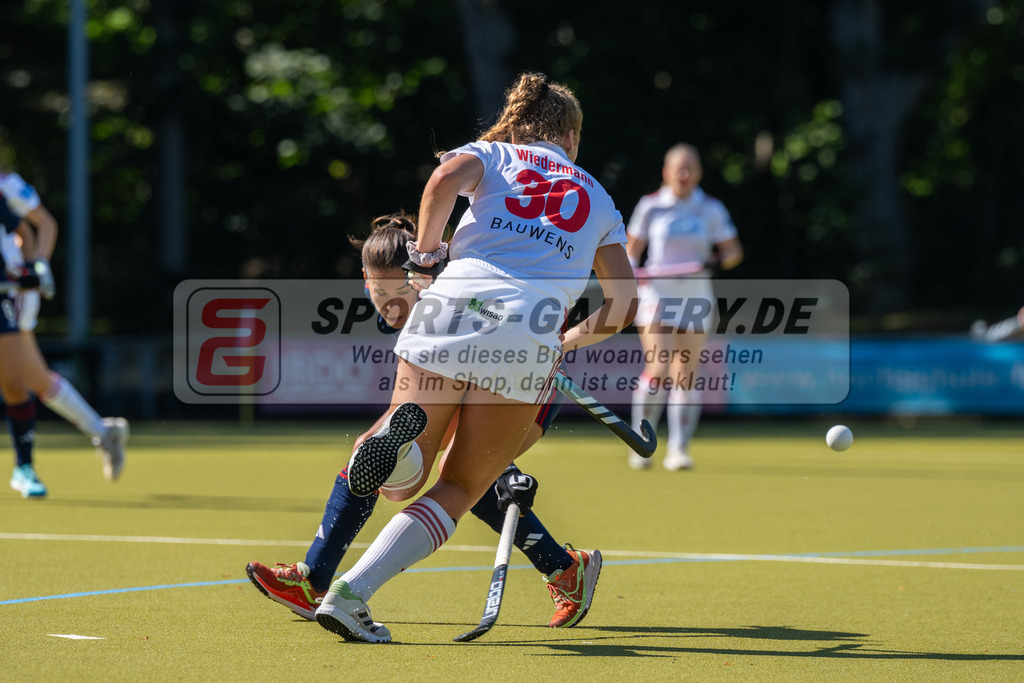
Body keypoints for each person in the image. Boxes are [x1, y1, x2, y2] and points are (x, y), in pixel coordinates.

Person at [312, 72, 637, 643]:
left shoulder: (494, 154)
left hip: (450, 305)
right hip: (530, 328)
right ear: (570, 136)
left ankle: (405, 453)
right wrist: (564, 341)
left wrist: (427, 253)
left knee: (401, 472)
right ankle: (350, 594)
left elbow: (442, 180)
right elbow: (623, 305)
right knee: (460, 487)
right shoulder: (598, 196)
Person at [246, 213, 601, 629]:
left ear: (423, 276)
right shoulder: (404, 307)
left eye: (402, 289)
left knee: (462, 473)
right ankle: (315, 579)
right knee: (376, 449)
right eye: (379, 290)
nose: (390, 303)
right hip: (453, 381)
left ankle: (563, 569)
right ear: (364, 278)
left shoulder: (456, 291)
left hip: (527, 391)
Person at [0, 170, 128, 497]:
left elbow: (42, 225)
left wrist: (35, 266)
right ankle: (102, 431)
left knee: (18, 379)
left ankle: (25, 466)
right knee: (34, 378)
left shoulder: (7, 184)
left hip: (13, 292)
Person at [625, 143, 743, 472]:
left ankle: (678, 449)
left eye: (691, 168)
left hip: (696, 298)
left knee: (685, 376)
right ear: (666, 172)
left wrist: (715, 258)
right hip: (656, 296)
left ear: (699, 173)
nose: (685, 174)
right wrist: (633, 272)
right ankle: (640, 444)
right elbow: (632, 251)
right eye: (679, 168)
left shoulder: (710, 208)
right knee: (658, 368)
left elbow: (733, 252)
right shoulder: (650, 206)